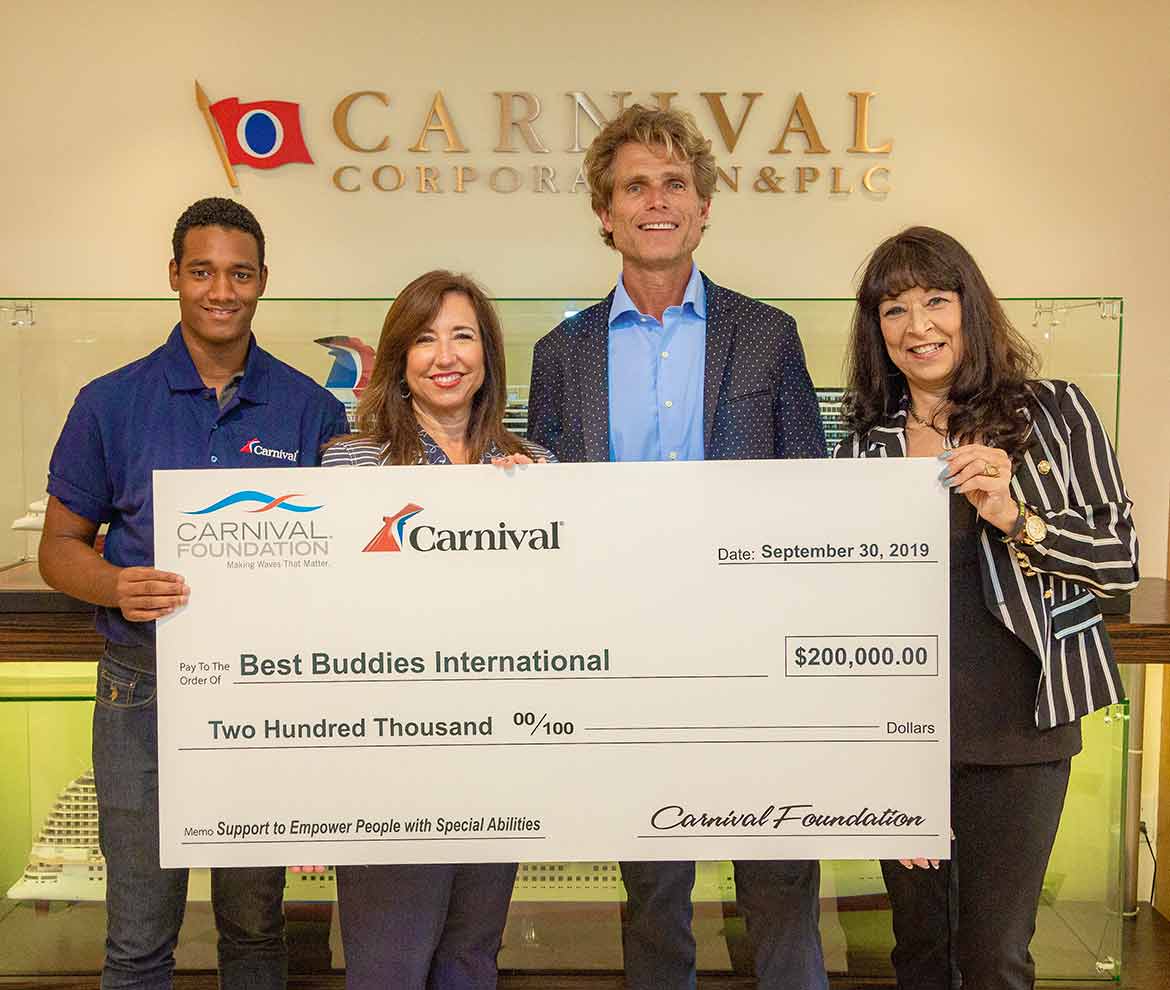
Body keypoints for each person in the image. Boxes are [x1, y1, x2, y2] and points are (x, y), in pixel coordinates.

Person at [527, 105, 828, 990]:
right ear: (605, 212)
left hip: (755, 655)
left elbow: (811, 492)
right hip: (629, 660)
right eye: (634, 186)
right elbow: (544, 518)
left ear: (703, 209)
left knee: (778, 877)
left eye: (675, 184)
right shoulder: (561, 353)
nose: (656, 200)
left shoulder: (767, 335)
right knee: (654, 889)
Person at [38, 197, 350, 990]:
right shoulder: (111, 402)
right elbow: (57, 550)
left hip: (261, 699)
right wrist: (115, 583)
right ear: (174, 275)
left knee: (254, 925)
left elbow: (347, 554)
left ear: (263, 282)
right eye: (203, 271)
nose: (222, 290)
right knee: (139, 935)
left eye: (239, 273)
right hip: (141, 690)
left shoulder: (310, 408)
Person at [834, 226, 1139, 989]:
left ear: (972, 307)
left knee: (995, 955)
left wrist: (1015, 515)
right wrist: (878, 763)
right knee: (920, 951)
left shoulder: (1054, 413)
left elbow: (1118, 559)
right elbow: (839, 611)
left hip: (1023, 727)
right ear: (877, 330)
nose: (919, 326)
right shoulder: (859, 447)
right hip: (906, 735)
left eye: (937, 300)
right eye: (894, 309)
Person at [322, 269, 553, 989]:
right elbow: (330, 613)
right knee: (389, 963)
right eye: (424, 339)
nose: (445, 355)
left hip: (498, 751)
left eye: (462, 335)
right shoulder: (350, 463)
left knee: (470, 958)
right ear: (398, 357)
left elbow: (554, 617)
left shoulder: (535, 467)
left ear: (487, 354)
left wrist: (543, 518)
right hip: (390, 753)